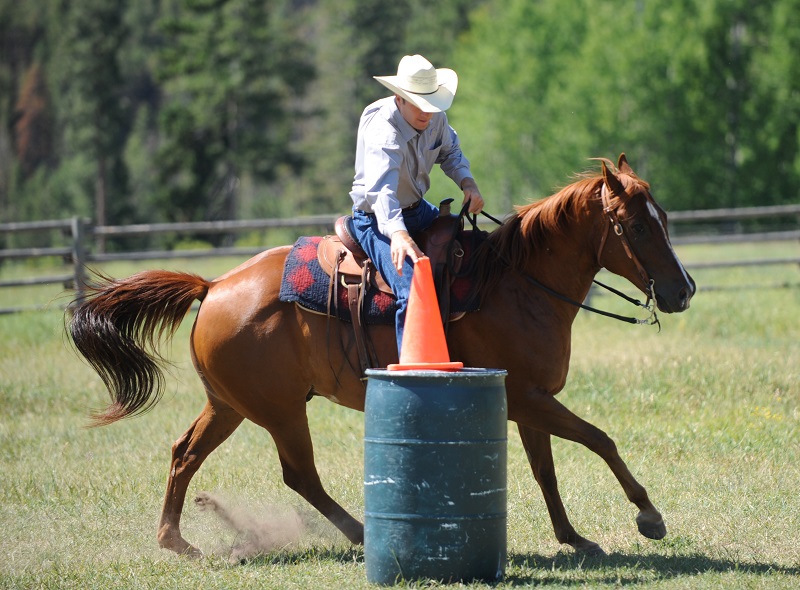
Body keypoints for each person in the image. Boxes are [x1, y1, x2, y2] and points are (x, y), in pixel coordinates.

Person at [349, 54, 484, 355]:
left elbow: (451, 153)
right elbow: (382, 191)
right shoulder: (382, 128)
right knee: (411, 292)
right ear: (400, 99)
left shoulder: (436, 117)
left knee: (472, 254)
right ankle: (413, 374)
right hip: (375, 219)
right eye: (420, 104)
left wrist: (468, 183)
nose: (428, 113)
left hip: (417, 209)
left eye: (432, 104)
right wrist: (398, 234)